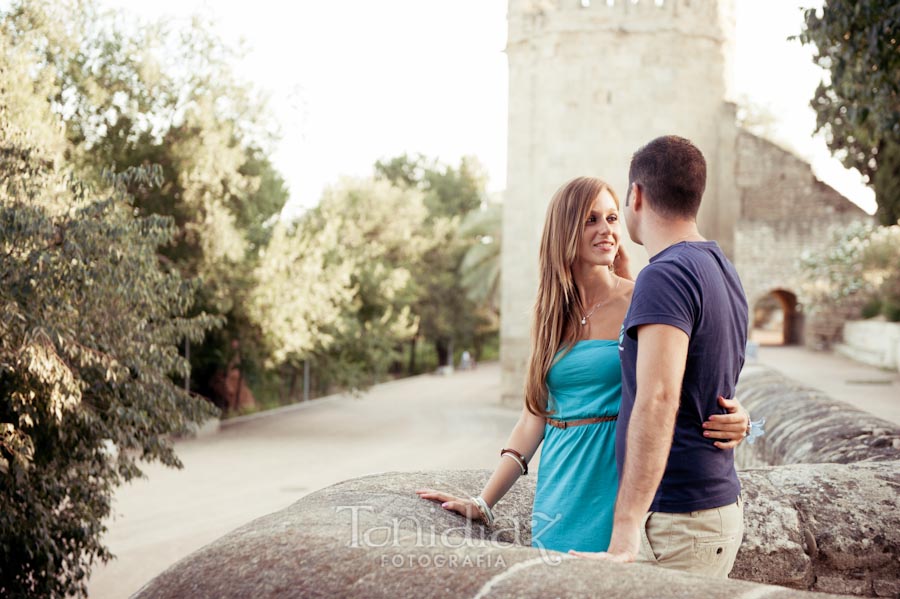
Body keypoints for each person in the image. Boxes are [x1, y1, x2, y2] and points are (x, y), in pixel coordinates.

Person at [416, 176, 749, 554]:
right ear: (565, 230)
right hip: (560, 485)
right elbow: (533, 417)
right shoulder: (549, 315)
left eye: (611, 218)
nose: (605, 229)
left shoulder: (641, 296)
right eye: (591, 220)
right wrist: (484, 501)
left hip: (614, 479)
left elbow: (681, 380)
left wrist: (744, 417)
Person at [570, 136, 749, 578]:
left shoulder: (665, 274)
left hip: (676, 521)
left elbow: (659, 397)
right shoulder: (721, 268)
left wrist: (627, 524)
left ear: (636, 195)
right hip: (709, 506)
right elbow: (705, 382)